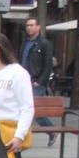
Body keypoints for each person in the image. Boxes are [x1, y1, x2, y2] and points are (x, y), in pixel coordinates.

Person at [20, 16, 55, 144]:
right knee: (23, 109)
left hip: (36, 82)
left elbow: (47, 65)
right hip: (23, 81)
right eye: (27, 25)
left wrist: (40, 81)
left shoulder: (45, 44)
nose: (29, 28)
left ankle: (51, 130)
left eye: (32, 25)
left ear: (38, 27)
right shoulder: (25, 43)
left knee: (34, 110)